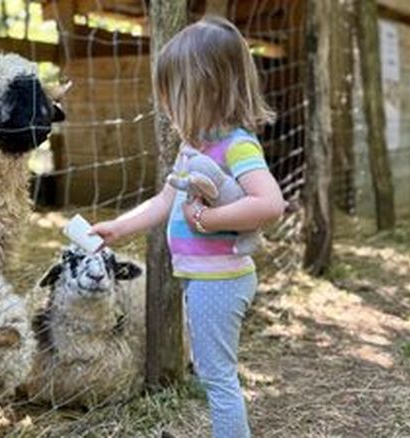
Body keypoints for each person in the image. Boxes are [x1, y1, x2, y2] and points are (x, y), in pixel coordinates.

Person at [89, 16, 285, 438]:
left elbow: (270, 203)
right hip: (204, 280)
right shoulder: (193, 147)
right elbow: (166, 200)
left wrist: (211, 219)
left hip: (221, 281)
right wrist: (119, 228)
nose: (168, 108)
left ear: (206, 90)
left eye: (174, 96)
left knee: (217, 378)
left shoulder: (237, 146)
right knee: (212, 372)